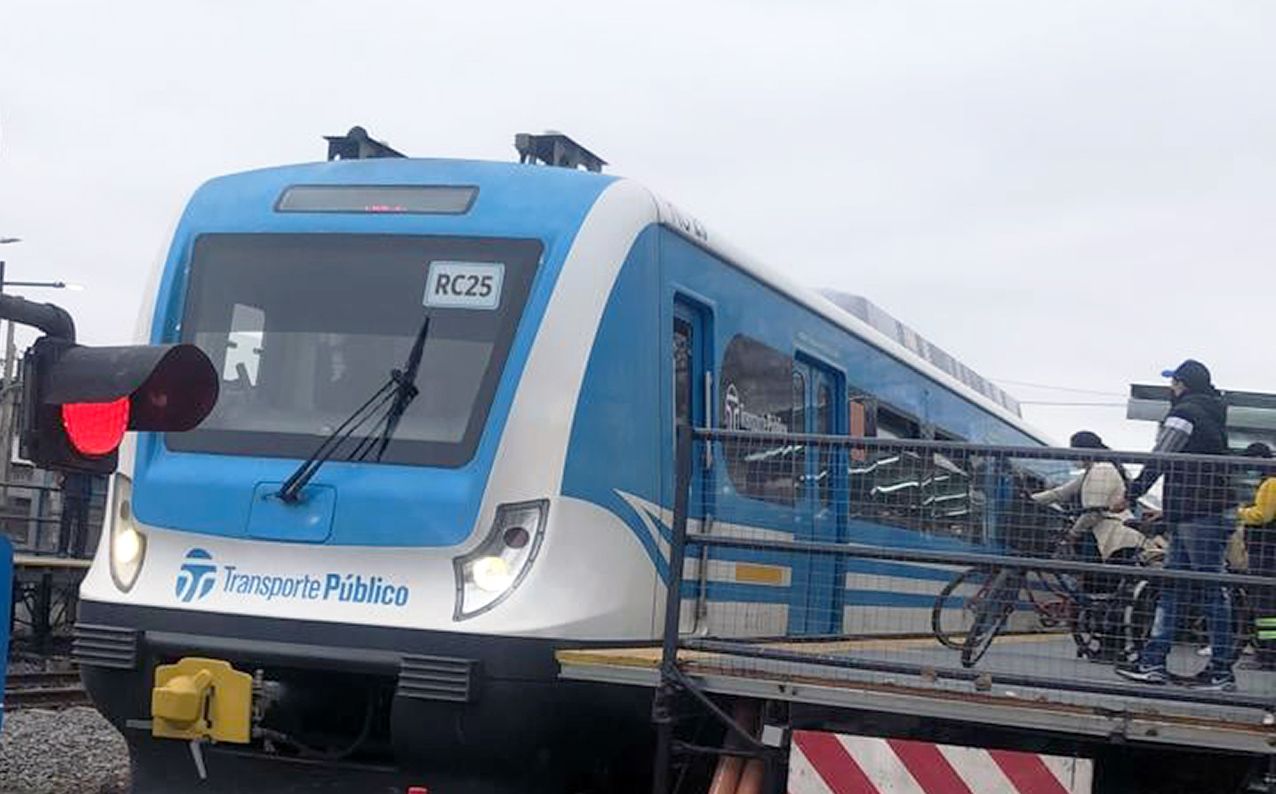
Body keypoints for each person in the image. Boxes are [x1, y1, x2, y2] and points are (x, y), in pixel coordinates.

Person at [1116, 360, 1234, 690]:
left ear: (1183, 384)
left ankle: (1221, 672)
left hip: (1198, 514)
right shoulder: (1211, 413)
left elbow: (1162, 456)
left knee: (1207, 590)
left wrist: (1132, 494)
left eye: (1174, 382)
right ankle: (1154, 661)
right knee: (1176, 589)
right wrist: (1168, 514)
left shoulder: (1185, 412)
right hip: (1195, 513)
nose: (1171, 388)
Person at [1031, 431, 1146, 564]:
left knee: (1094, 574)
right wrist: (1029, 499)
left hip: (1112, 538)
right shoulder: (1093, 470)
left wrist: (1073, 534)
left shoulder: (1102, 470)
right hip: (1107, 536)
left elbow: (1093, 511)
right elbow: (1059, 493)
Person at [1238, 443, 1276, 669]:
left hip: (1266, 550)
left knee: (1265, 606)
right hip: (1267, 549)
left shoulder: (1271, 482)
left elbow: (1263, 515)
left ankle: (1268, 654)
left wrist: (1238, 513)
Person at [56, 471, 92, 558]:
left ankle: (64, 550)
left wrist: (62, 481)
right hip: (82, 490)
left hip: (73, 489)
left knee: (68, 522)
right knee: (81, 524)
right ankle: (79, 551)